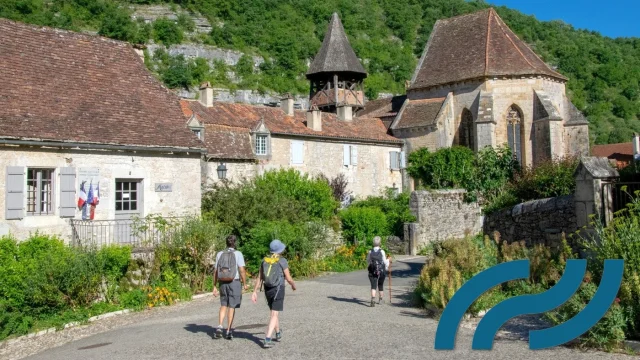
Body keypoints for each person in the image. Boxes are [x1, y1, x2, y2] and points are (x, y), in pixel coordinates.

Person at [251, 239, 297, 349]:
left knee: (273, 312)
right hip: (278, 289)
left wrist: (254, 291)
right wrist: (293, 285)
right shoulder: (282, 261)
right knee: (274, 314)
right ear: (280, 250)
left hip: (268, 289)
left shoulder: (264, 261)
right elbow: (288, 277)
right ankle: (267, 339)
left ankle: (278, 333)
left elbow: (259, 277)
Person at [212, 235, 248, 340]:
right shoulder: (238, 254)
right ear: (234, 243)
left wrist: (214, 285)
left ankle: (219, 326)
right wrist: (244, 282)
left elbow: (215, 271)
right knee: (231, 306)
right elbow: (241, 269)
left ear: (226, 243)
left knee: (223, 304)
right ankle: (228, 330)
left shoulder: (219, 254)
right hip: (234, 281)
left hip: (222, 282)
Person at [366, 236, 391, 307]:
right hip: (381, 271)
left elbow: (367, 261)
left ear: (373, 243)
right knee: (380, 285)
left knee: (373, 285)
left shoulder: (370, 251)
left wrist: (369, 265)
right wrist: (389, 260)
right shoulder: (382, 251)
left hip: (372, 270)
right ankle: (381, 299)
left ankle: (373, 299)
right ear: (380, 243)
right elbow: (385, 262)